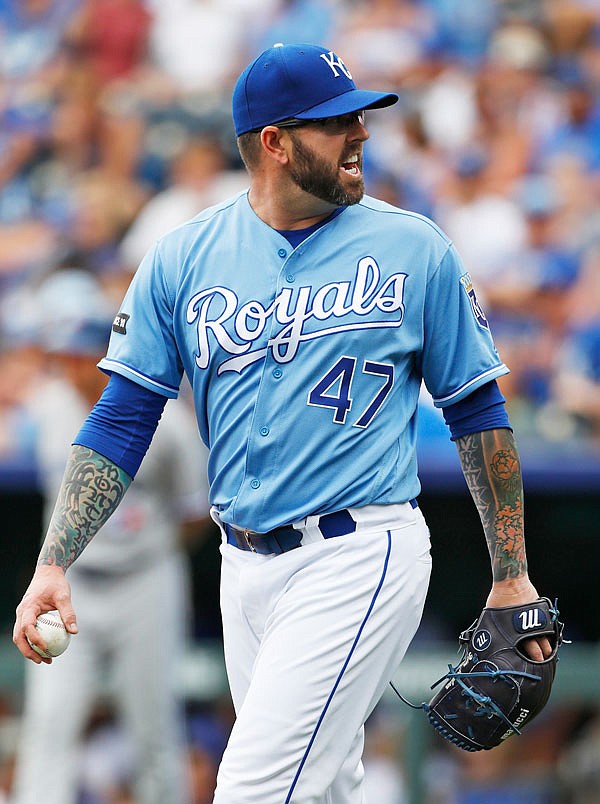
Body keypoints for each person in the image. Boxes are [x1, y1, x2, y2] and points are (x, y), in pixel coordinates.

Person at [13, 43, 552, 804]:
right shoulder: (182, 258)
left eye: (358, 116)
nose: (360, 132)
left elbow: (478, 413)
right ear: (275, 142)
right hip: (244, 570)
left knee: (254, 789)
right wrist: (53, 562)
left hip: (359, 551)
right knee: (319, 789)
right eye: (336, 122)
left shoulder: (413, 247)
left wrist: (511, 572)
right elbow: (123, 416)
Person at [11, 270, 210, 804]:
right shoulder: (47, 406)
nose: (71, 365)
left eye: (79, 351)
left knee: (154, 727)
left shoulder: (162, 423)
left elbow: (195, 512)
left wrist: (150, 554)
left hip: (145, 580)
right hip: (70, 586)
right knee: (50, 725)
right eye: (62, 354)